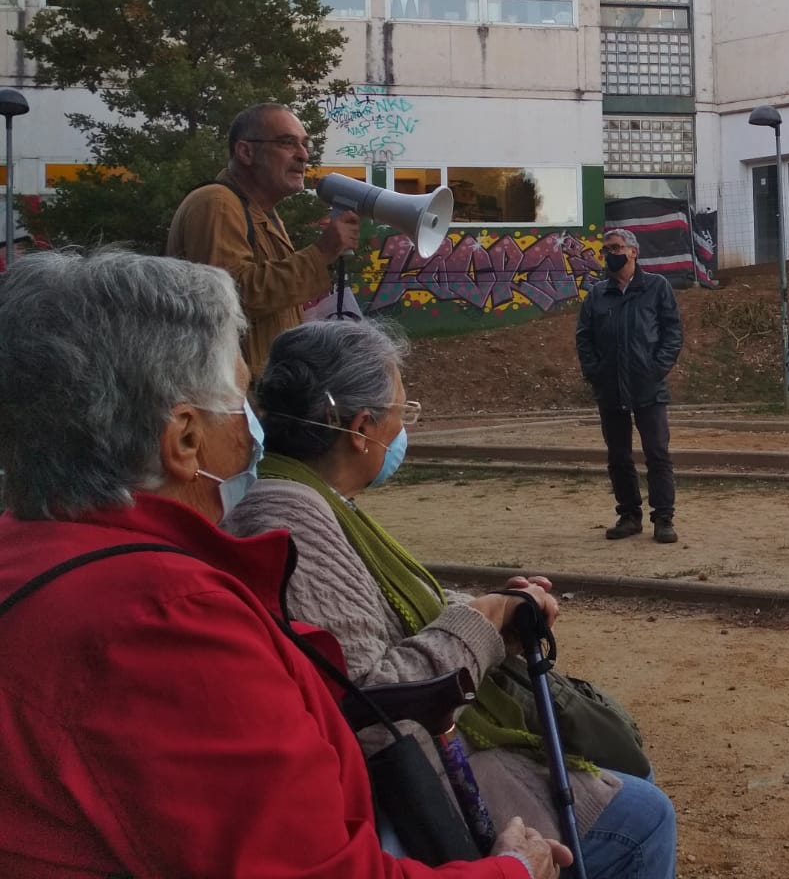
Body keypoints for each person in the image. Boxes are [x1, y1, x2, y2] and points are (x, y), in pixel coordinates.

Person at [0, 249, 565, 879]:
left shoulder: (33, 550)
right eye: (242, 399)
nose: (254, 429)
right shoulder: (169, 621)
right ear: (185, 439)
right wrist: (512, 871)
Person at [227, 319, 677, 879]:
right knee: (646, 816)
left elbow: (388, 610)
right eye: (402, 411)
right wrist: (484, 618)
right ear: (363, 428)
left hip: (420, 755)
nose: (403, 427)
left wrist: (493, 606)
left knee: (625, 773)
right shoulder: (291, 516)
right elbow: (369, 699)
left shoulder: (311, 498)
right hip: (414, 777)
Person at [167, 102, 360, 377]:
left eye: (305, 145)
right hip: (232, 394)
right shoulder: (218, 203)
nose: (303, 155)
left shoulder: (262, 212)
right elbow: (230, 297)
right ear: (246, 151)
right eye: (287, 143)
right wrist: (322, 253)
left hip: (259, 392)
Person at [576, 228, 684, 544]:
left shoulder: (656, 287)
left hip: (648, 386)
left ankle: (663, 518)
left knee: (657, 453)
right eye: (606, 248)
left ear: (633, 251)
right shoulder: (596, 294)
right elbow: (584, 337)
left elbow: (672, 332)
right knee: (619, 456)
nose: (611, 253)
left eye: (617, 247)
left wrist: (656, 368)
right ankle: (628, 515)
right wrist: (594, 371)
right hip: (610, 387)